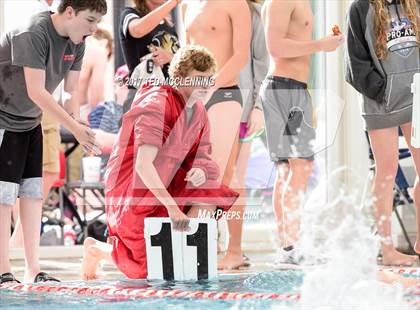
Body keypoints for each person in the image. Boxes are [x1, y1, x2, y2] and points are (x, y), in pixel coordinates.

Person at [81, 45, 239, 280]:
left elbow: (204, 159)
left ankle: (186, 258)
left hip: (167, 183)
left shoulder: (199, 112)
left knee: (209, 193)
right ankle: (96, 250)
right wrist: (173, 209)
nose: (205, 86)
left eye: (209, 79)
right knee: (148, 269)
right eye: (199, 79)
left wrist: (199, 171)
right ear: (179, 77)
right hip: (132, 188)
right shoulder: (157, 103)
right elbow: (143, 166)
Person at [0, 0, 106, 284]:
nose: (94, 29)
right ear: (69, 12)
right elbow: (37, 91)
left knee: (33, 194)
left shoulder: (77, 41)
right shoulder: (34, 32)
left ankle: (32, 269)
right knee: (3, 196)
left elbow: (70, 93)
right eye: (91, 20)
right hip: (3, 120)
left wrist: (79, 123)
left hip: (29, 121)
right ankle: (2, 270)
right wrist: (72, 126)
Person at [260, 0, 344, 264]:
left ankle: (288, 245)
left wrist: (323, 43)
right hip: (286, 89)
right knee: (301, 166)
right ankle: (293, 246)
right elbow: (276, 47)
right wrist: (321, 45)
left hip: (289, 88)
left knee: (287, 169)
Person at [346, 0, 420, 266]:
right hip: (381, 102)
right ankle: (387, 249)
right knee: (386, 171)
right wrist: (383, 91)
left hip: (417, 97)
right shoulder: (360, 8)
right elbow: (355, 64)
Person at [181, 0, 251, 271]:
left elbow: (240, 56)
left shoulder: (236, 4)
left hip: (224, 94)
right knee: (194, 173)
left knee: (223, 173)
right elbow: (185, 55)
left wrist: (209, 86)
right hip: (193, 96)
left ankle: (234, 250)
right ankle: (202, 245)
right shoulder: (187, 5)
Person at [9, 0, 62, 249]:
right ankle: (18, 242)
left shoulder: (65, 9)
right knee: (21, 176)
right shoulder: (26, 10)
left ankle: (19, 240)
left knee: (42, 173)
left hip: (46, 97)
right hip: (27, 96)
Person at [119, 0, 181, 113]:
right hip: (143, 100)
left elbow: (183, 63)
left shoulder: (168, 24)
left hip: (170, 101)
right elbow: (137, 30)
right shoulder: (129, 14)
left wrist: (170, 57)